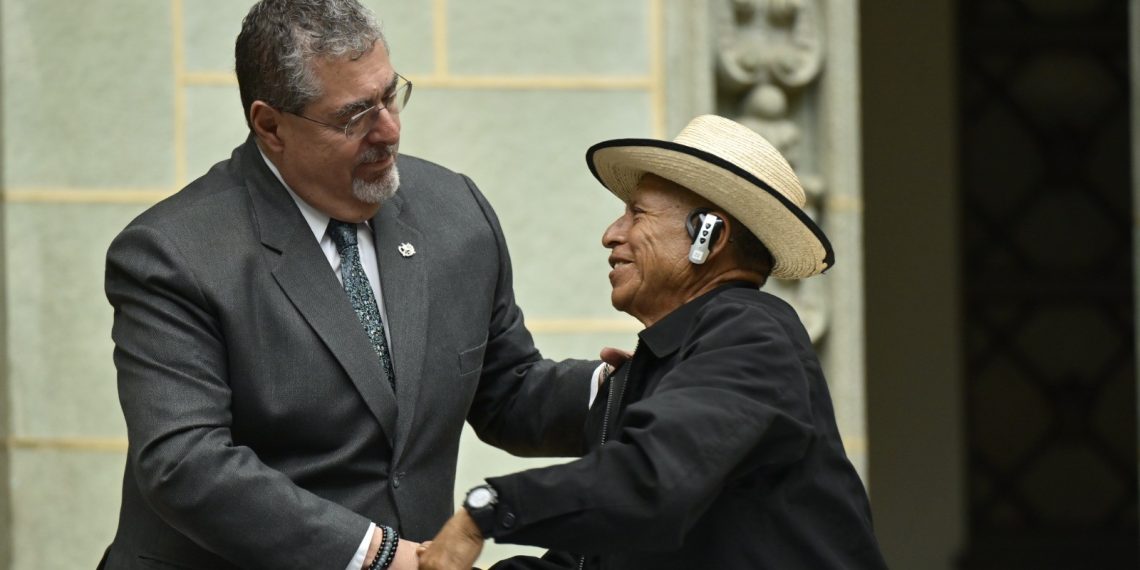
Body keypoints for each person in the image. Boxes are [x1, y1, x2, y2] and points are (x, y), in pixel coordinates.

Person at [99, 1, 598, 568]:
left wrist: (633, 386)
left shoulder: (454, 213)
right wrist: (375, 555)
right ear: (270, 126)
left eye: (390, 95)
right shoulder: (174, 254)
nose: (389, 130)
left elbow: (508, 392)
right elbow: (185, 463)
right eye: (354, 116)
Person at [418, 115, 888, 570]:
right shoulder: (674, 364)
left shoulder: (751, 329)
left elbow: (649, 481)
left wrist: (485, 511)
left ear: (709, 234)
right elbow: (592, 557)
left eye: (636, 213)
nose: (611, 234)